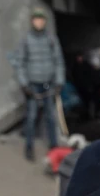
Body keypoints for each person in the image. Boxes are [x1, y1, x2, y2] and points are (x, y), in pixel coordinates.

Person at [10, 9, 65, 162]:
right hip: (33, 84)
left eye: (41, 19)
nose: (39, 22)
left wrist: (59, 81)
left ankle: (54, 147)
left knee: (51, 116)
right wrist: (24, 84)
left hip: (48, 84)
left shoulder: (51, 39)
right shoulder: (26, 40)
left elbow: (58, 61)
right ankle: (29, 147)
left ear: (45, 22)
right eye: (36, 19)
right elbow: (19, 63)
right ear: (32, 21)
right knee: (31, 116)